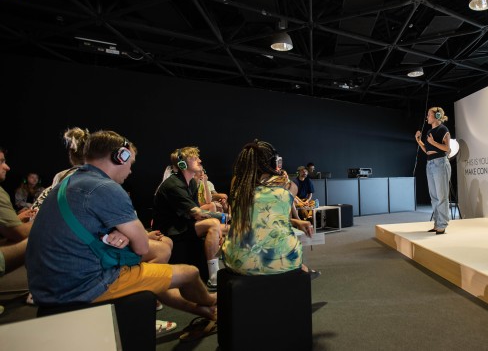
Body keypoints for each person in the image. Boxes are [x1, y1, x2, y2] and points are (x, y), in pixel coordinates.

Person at [26, 131, 216, 324]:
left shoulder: (65, 183)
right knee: (189, 273)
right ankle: (213, 301)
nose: (130, 171)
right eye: (130, 163)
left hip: (48, 287)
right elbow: (141, 246)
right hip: (83, 285)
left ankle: (205, 312)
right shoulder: (106, 187)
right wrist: (130, 235)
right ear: (120, 157)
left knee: (156, 274)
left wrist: (122, 234)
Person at [222, 140, 319, 278]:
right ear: (274, 163)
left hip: (237, 261)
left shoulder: (236, 184)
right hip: (282, 260)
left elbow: (263, 216)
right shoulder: (288, 186)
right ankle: (304, 271)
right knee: (293, 252)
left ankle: (305, 271)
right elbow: (280, 218)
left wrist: (296, 222)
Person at [153, 146, 224, 290]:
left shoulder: (191, 182)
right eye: (195, 158)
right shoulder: (173, 185)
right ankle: (214, 277)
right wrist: (224, 216)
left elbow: (196, 213)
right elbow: (197, 213)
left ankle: (227, 265)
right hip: (171, 230)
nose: (200, 160)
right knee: (215, 223)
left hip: (184, 225)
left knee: (227, 228)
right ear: (182, 164)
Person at [414, 107, 451, 234]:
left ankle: (442, 224)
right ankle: (437, 223)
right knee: (434, 197)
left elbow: (447, 149)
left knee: (441, 196)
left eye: (429, 115)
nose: (427, 117)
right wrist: (419, 141)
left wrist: (433, 142)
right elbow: (427, 150)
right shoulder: (430, 131)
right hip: (430, 163)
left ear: (437, 116)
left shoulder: (443, 129)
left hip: (440, 163)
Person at [0, 147, 34, 243]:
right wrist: (40, 220)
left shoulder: (40, 189)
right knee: (31, 242)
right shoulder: (20, 190)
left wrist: (16, 218)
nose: (7, 167)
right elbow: (21, 234)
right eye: (1, 162)